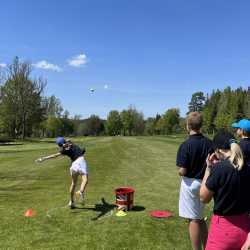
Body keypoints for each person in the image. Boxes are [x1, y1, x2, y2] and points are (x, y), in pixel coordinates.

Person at [200, 130, 250, 250]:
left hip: (223, 230)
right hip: (244, 227)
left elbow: (203, 198)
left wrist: (208, 168)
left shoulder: (219, 169)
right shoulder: (247, 167)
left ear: (217, 150)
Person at [176, 112, 213, 250]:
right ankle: (208, 247)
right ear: (201, 125)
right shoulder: (209, 143)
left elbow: (183, 171)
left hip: (190, 184)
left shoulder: (185, 145)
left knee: (193, 220)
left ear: (188, 126)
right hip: (206, 183)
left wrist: (179, 171)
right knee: (200, 217)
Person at [36, 137, 88, 209]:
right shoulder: (71, 143)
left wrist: (43, 159)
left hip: (73, 166)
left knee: (73, 183)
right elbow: (68, 141)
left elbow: (54, 156)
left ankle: (71, 202)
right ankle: (81, 192)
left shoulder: (63, 150)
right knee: (85, 179)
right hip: (80, 161)